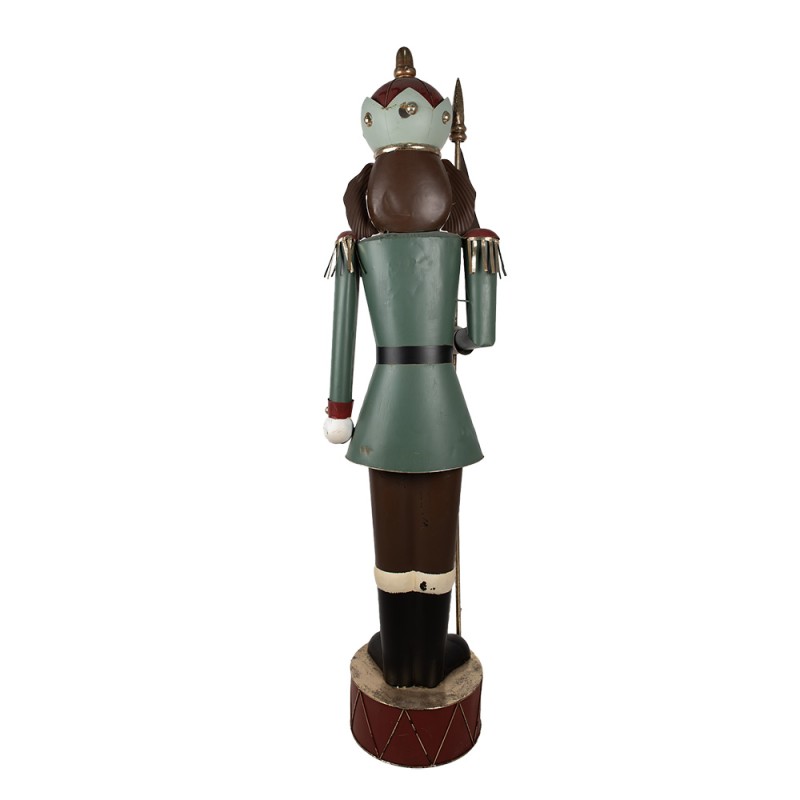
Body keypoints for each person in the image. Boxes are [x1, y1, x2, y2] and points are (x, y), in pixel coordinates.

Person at [324, 47, 502, 689]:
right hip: (442, 401)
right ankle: (429, 660)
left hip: (382, 401)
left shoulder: (356, 241)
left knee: (391, 533)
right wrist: (456, 333)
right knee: (436, 528)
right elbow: (481, 337)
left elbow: (343, 331)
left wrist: (339, 409)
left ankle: (397, 657)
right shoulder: (468, 238)